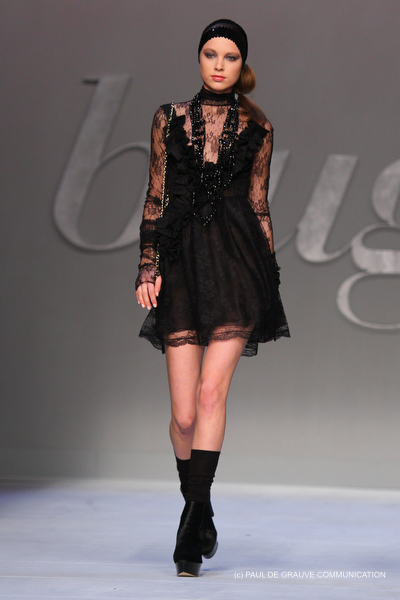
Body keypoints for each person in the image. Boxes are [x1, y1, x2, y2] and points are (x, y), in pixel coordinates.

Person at [135, 18, 290, 577]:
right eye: (210, 54)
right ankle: (200, 510)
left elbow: (259, 205)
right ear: (198, 58)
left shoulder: (258, 127)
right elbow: (156, 196)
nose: (219, 64)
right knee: (181, 417)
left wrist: (269, 278)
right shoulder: (168, 118)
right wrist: (147, 265)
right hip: (180, 268)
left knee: (208, 396)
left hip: (237, 268)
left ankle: (189, 529)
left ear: (241, 64)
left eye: (230, 56)